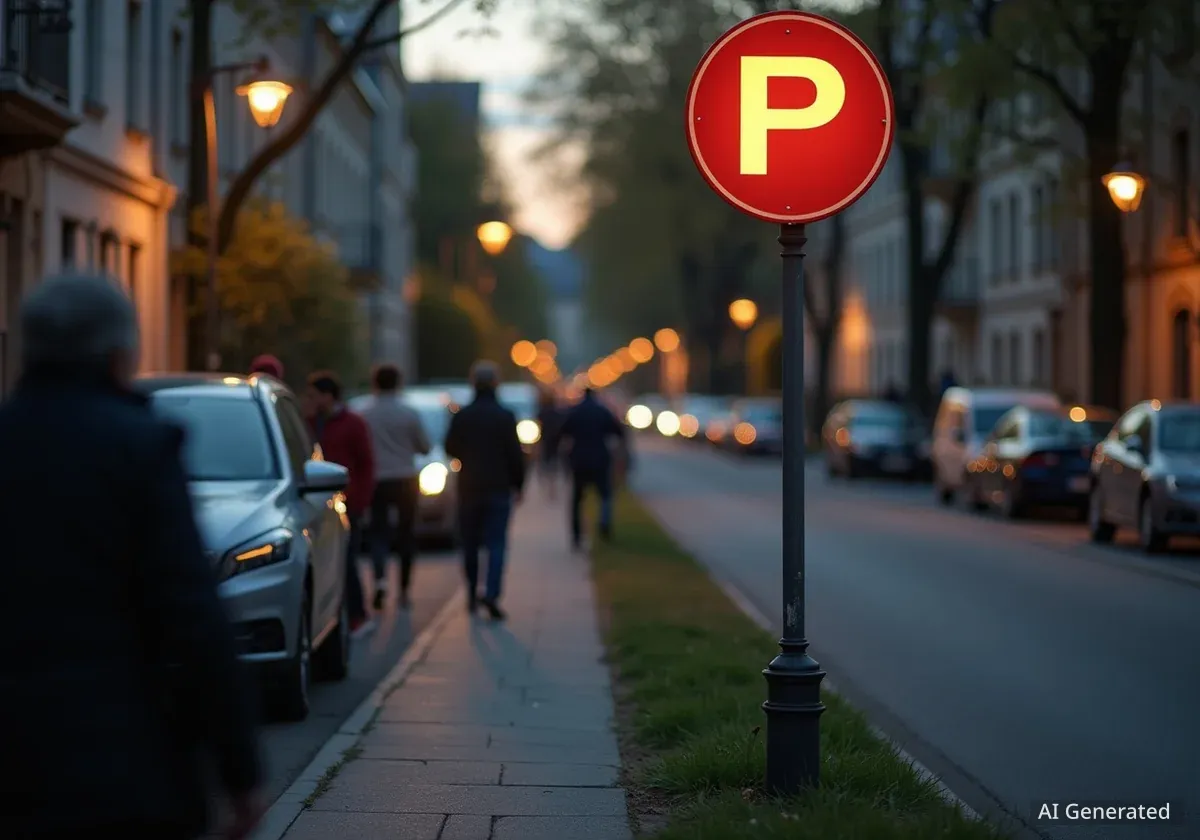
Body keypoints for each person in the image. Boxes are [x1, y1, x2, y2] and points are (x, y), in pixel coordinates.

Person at [0, 273, 263, 839]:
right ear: (120, 352)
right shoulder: (139, 445)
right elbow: (191, 615)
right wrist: (239, 770)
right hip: (118, 763)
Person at [444, 361, 526, 620]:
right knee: (496, 543)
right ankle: (491, 593)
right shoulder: (505, 415)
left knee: (469, 543)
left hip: (469, 487)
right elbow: (516, 454)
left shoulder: (462, 415)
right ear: (495, 384)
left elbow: (450, 448)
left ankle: (470, 591)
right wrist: (519, 484)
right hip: (499, 487)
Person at [355, 363, 431, 610]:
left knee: (378, 532)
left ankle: (379, 580)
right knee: (406, 534)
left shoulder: (363, 413)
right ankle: (404, 589)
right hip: (404, 478)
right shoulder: (408, 412)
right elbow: (424, 447)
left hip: (376, 479)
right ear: (398, 383)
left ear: (375, 383)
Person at [305, 371, 376, 635]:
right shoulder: (311, 423)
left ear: (328, 396)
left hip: (346, 502)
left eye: (314, 395)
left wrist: (358, 498)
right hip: (317, 500)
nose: (310, 400)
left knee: (346, 559)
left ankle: (357, 614)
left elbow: (366, 463)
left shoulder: (352, 423)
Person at [559, 386, 629, 549]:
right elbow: (618, 432)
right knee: (605, 495)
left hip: (579, 460)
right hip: (600, 459)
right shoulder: (603, 411)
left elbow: (562, 432)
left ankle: (576, 535)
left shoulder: (574, 411)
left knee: (577, 499)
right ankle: (604, 523)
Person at [534, 386, 566, 499]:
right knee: (554, 465)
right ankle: (552, 488)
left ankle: (548, 486)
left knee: (545, 465)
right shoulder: (558, 413)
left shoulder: (541, 413)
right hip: (555, 443)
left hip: (546, 442)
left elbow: (538, 429)